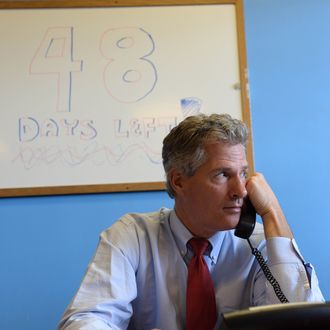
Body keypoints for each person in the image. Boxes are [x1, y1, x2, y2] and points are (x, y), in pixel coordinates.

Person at [58, 113, 324, 330]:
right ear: (179, 181)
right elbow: (84, 321)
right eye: (222, 174)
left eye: (243, 174)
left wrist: (273, 213)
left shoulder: (259, 243)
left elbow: (305, 322)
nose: (241, 191)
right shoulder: (132, 237)